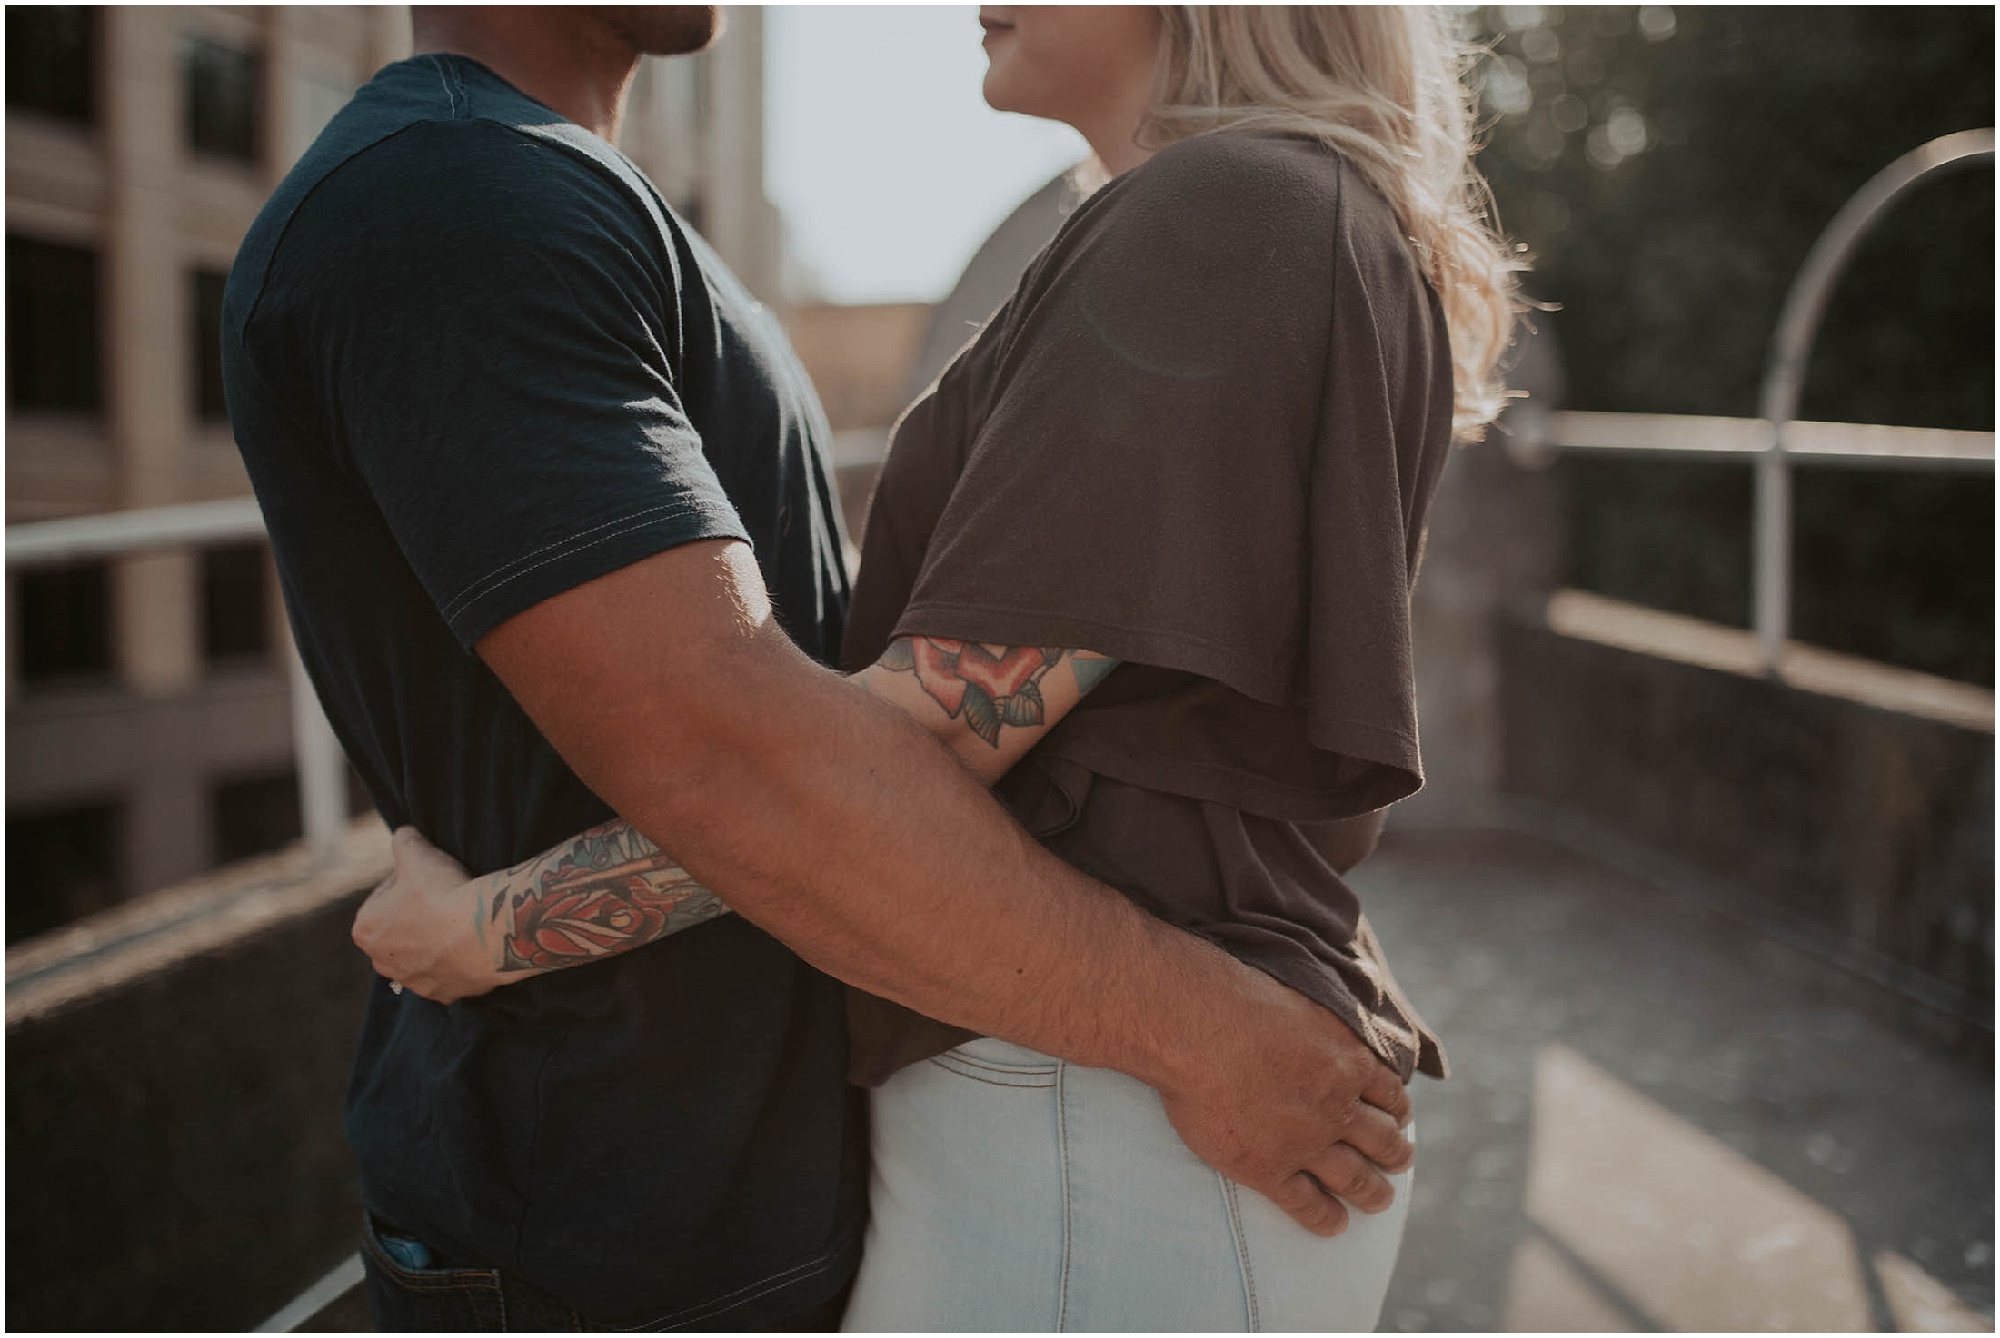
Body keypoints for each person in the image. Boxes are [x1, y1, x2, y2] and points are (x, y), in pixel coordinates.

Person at [225, 4, 1421, 1330]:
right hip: (1017, 1131)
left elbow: (838, 759)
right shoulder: (459, 196)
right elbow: (780, 753)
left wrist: (484, 928)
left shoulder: (1224, 212)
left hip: (1107, 1125)